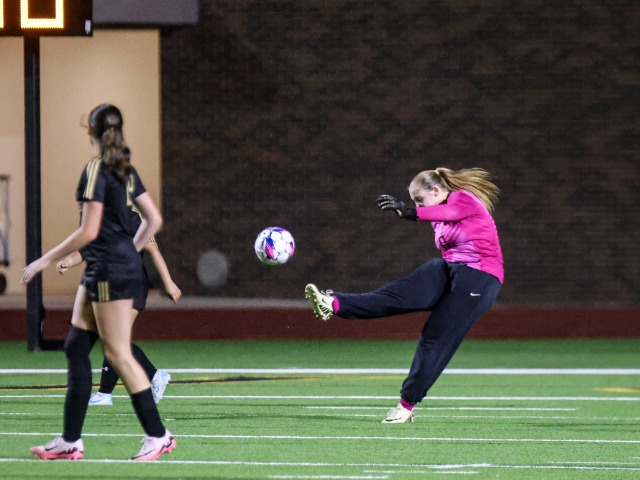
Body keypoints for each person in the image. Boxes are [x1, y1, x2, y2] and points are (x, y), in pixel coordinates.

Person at [21, 103, 176, 461]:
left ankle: (158, 435)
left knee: (117, 353)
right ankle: (70, 440)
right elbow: (153, 219)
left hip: (108, 270)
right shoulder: (126, 171)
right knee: (76, 346)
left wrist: (45, 259)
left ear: (90, 130)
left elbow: (88, 231)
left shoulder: (96, 169)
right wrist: (130, 250)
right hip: (108, 266)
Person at [305, 167, 503, 424]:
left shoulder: (462, 198)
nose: (417, 205)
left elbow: (450, 212)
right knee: (396, 294)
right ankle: (333, 303)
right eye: (414, 202)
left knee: (435, 336)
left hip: (480, 278)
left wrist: (408, 212)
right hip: (450, 269)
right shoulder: (436, 219)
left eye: (419, 200)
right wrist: (414, 211)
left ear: (436, 191)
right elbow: (442, 220)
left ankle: (406, 404)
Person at [56, 210, 182, 407]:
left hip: (131, 284)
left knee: (114, 339)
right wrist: (69, 261)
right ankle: (154, 376)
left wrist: (169, 283)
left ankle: (106, 393)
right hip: (107, 283)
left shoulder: (130, 217)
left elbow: (153, 249)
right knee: (111, 339)